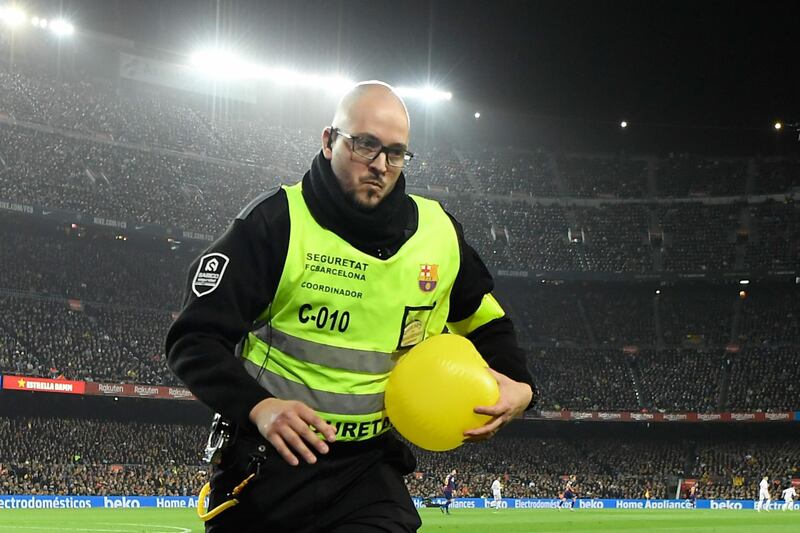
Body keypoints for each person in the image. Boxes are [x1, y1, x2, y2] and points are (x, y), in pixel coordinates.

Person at [165, 81, 536, 533]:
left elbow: (485, 320)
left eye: (396, 153)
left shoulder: (438, 235)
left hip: (366, 471)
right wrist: (260, 407)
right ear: (328, 141)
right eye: (366, 145)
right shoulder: (276, 224)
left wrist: (520, 385)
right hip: (266, 465)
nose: (381, 165)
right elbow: (194, 339)